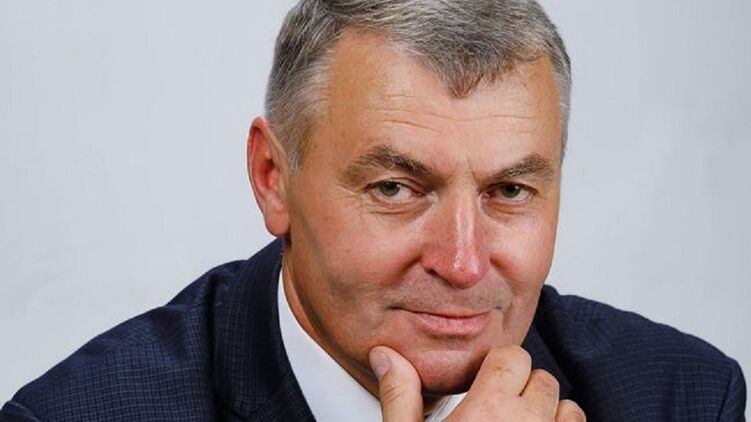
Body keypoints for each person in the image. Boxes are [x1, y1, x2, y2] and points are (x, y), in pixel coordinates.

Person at [1, 0, 746, 421]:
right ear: (272, 178)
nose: (462, 264)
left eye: (509, 191)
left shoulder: (680, 398)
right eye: (395, 188)